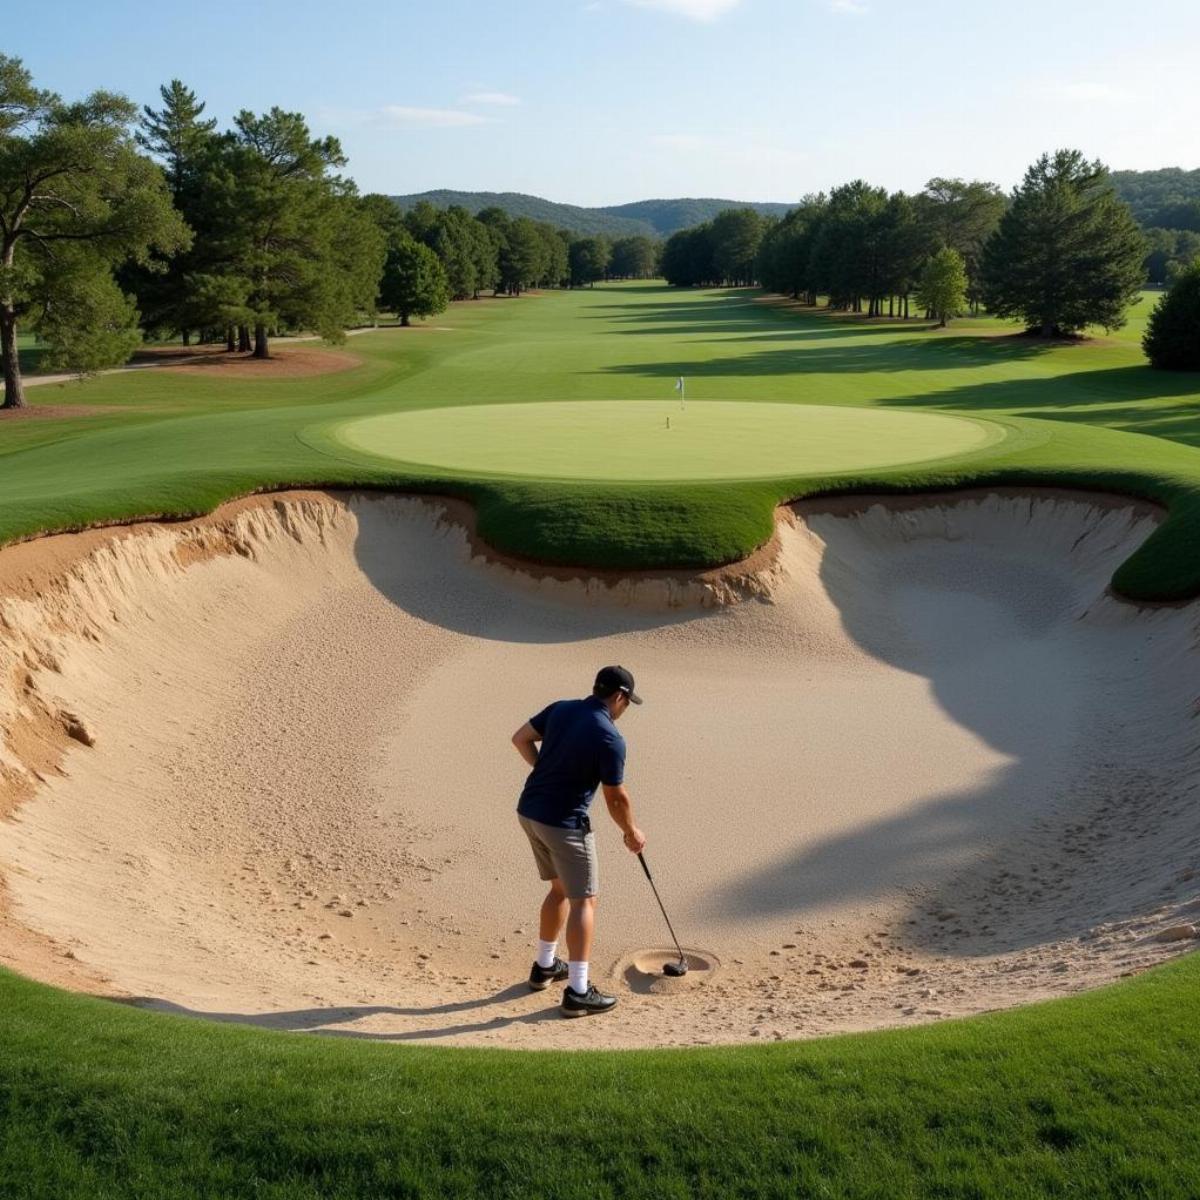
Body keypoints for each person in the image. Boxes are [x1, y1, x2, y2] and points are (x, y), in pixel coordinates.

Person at [512, 665, 646, 1017]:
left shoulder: (561, 708)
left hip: (530, 812)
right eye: (627, 703)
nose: (624, 709)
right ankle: (578, 991)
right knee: (584, 900)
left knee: (558, 889)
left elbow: (520, 738)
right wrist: (631, 832)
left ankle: (544, 967)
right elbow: (616, 797)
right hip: (564, 824)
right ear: (619, 697)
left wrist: (544, 770)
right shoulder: (610, 737)